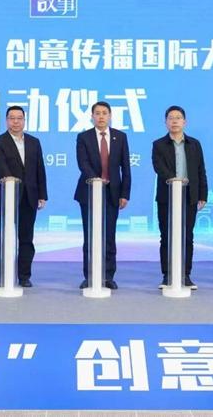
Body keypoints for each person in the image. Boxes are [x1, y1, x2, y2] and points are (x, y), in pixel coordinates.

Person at [74, 101, 131, 290]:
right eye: (97, 113)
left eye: (104, 113)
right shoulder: (83, 137)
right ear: (92, 116)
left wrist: (125, 193)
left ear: (110, 116)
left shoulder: (120, 137)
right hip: (89, 192)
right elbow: (83, 163)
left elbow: (126, 167)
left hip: (113, 193)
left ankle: (107, 276)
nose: (101, 116)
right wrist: (97, 180)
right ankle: (90, 276)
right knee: (90, 235)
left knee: (109, 236)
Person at [0, 106, 48, 288]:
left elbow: (40, 169)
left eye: (19, 118)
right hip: (6, 196)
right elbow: (1, 167)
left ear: (24, 120)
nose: (15, 121)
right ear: (6, 120)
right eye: (12, 118)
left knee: (26, 239)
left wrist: (42, 195)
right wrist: (10, 181)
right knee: (4, 238)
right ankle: (3, 275)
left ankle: (24, 276)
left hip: (29, 197)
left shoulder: (34, 142)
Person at [151, 105, 207, 290]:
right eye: (171, 118)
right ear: (165, 122)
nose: (174, 121)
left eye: (178, 117)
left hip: (189, 196)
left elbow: (201, 170)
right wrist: (173, 180)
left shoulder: (194, 144)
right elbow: (158, 167)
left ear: (184, 122)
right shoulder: (158, 144)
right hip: (167, 196)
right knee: (166, 236)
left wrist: (202, 194)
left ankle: (185, 274)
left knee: (187, 236)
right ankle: (167, 275)